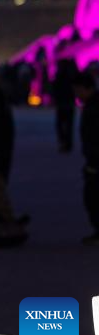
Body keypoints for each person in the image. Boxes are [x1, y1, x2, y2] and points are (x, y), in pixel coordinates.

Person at [73, 72, 99, 245]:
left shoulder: (94, 107)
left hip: (96, 162)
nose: (76, 94)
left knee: (93, 197)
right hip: (93, 159)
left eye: (78, 90)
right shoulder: (91, 105)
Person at [53, 59, 78, 153]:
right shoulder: (73, 76)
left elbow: (55, 88)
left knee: (61, 124)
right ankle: (67, 143)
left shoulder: (59, 75)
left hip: (62, 103)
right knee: (68, 125)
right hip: (68, 103)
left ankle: (64, 142)